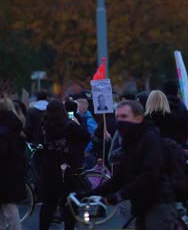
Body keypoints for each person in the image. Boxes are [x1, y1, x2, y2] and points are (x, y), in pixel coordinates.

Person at [84, 100, 177, 230]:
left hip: (158, 205)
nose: (120, 121)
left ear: (138, 118)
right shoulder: (129, 142)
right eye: (117, 117)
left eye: (124, 117)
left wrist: (120, 195)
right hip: (141, 206)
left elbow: (149, 176)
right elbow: (119, 178)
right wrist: (88, 194)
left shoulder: (150, 138)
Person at [39, 100, 90, 230]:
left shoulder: (45, 125)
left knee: (48, 203)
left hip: (49, 168)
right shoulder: (70, 125)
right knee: (68, 203)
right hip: (67, 168)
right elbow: (85, 136)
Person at [0, 98, 26, 230]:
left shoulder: (3, 130)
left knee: (8, 208)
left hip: (4, 173)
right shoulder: (15, 126)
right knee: (10, 207)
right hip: (13, 172)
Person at [163, 80, 188, 146]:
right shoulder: (182, 106)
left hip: (166, 145)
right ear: (176, 91)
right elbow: (185, 127)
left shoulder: (162, 106)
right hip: (181, 144)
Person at [76, 98, 98, 169]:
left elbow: (93, 137)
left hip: (88, 154)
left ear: (82, 108)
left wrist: (87, 150)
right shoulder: (81, 118)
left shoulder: (89, 119)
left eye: (76, 107)